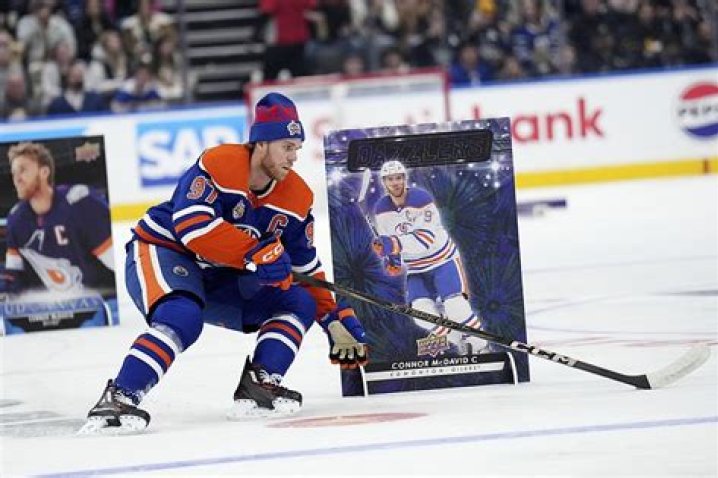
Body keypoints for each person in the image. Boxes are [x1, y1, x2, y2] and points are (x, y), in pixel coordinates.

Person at [79, 92, 368, 435]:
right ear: (261, 143)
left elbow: (304, 269)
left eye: (297, 148)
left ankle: (261, 383)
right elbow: (192, 227)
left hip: (219, 275)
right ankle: (119, 397)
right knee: (182, 316)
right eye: (287, 146)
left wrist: (332, 319)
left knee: (298, 301)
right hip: (163, 250)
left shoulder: (297, 197)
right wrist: (255, 251)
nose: (294, 156)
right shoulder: (220, 163)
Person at [371, 160, 487, 355]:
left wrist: (392, 244)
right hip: (416, 269)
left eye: (398, 178)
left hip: (443, 260)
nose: (395, 182)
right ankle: (458, 341)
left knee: (455, 307)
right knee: (420, 314)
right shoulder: (382, 209)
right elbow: (388, 240)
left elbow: (425, 239)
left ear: (404, 178)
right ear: (384, 182)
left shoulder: (420, 199)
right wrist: (393, 260)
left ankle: (480, 345)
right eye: (390, 179)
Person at [1, 142, 115, 295]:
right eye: (14, 173)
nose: (17, 179)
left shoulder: (80, 203)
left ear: (44, 172)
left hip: (103, 299)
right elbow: (13, 276)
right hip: (55, 304)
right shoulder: (16, 219)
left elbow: (118, 261)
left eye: (23, 170)